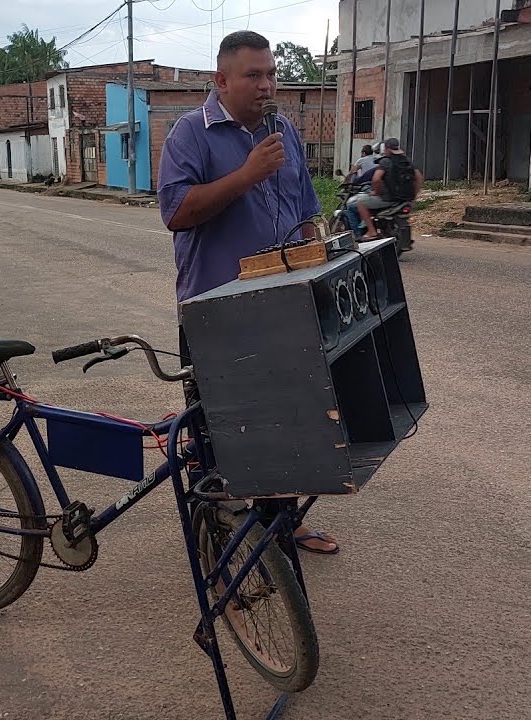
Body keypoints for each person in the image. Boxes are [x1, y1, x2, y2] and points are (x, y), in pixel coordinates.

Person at [158, 30, 339, 555]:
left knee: (287, 418)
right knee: (218, 430)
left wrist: (318, 263)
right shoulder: (190, 134)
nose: (267, 85)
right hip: (215, 312)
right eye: (253, 75)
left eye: (271, 73)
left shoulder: (283, 130)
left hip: (281, 304)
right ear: (222, 81)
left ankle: (286, 519)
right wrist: (246, 174)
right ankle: (220, 541)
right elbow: (177, 213)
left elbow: (305, 210)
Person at [347, 138, 422, 242]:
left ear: (386, 148)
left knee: (360, 203)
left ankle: (371, 231)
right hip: (403, 200)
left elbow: (376, 179)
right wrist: (414, 194)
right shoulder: (406, 161)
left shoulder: (386, 161)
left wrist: (376, 192)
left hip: (388, 198)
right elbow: (419, 177)